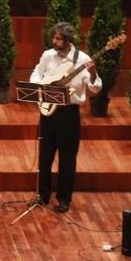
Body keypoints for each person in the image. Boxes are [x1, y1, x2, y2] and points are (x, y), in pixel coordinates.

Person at [28, 22, 102, 213]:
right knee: (44, 157)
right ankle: (42, 195)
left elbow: (95, 88)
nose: (54, 41)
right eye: (54, 37)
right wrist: (40, 85)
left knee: (67, 158)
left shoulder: (82, 59)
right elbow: (37, 72)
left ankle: (64, 198)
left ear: (68, 40)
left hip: (68, 114)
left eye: (58, 38)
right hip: (47, 112)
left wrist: (93, 73)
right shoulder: (48, 55)